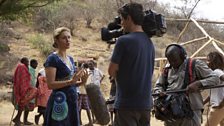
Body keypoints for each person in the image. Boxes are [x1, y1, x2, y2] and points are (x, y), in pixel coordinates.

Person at [108, 2, 155, 126]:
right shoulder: (150, 43)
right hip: (145, 104)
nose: (121, 23)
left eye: (122, 20)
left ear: (129, 18)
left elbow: (111, 71)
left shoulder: (123, 41)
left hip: (127, 105)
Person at [154, 44, 219, 126]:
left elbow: (215, 78)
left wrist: (198, 83)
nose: (173, 63)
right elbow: (158, 85)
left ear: (182, 55)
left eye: (175, 60)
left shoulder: (195, 64)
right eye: (170, 61)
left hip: (190, 112)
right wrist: (159, 91)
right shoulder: (167, 69)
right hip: (171, 112)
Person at [43, 27, 88, 126]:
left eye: (69, 37)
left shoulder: (71, 59)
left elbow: (71, 83)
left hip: (71, 100)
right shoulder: (52, 59)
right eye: (64, 38)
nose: (68, 40)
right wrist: (70, 82)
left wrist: (81, 82)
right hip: (59, 101)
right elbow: (50, 84)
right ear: (56, 40)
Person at [12, 57, 37, 126]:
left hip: (21, 89)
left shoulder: (21, 67)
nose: (28, 63)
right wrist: (24, 90)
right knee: (22, 104)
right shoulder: (22, 67)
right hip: (23, 89)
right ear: (23, 61)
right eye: (27, 62)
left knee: (23, 105)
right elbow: (23, 80)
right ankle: (17, 120)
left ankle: (17, 119)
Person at [203, 51, 224, 126]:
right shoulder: (217, 73)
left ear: (213, 62)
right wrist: (203, 102)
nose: (206, 63)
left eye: (208, 60)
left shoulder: (217, 72)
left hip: (218, 107)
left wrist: (222, 103)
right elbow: (213, 93)